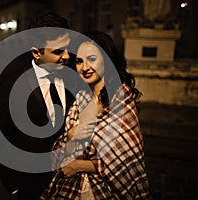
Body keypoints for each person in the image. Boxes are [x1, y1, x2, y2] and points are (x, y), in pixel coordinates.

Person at [40, 31, 150, 199]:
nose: (84, 67)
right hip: (73, 188)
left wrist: (79, 165)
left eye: (91, 59)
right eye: (79, 61)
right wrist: (70, 137)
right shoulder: (80, 98)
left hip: (105, 191)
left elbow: (126, 159)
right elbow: (61, 153)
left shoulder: (121, 98)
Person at [0, 12, 75, 200]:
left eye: (67, 49)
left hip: (69, 185)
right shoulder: (12, 84)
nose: (66, 56)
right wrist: (13, 186)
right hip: (30, 188)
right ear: (36, 52)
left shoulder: (75, 77)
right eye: (57, 51)